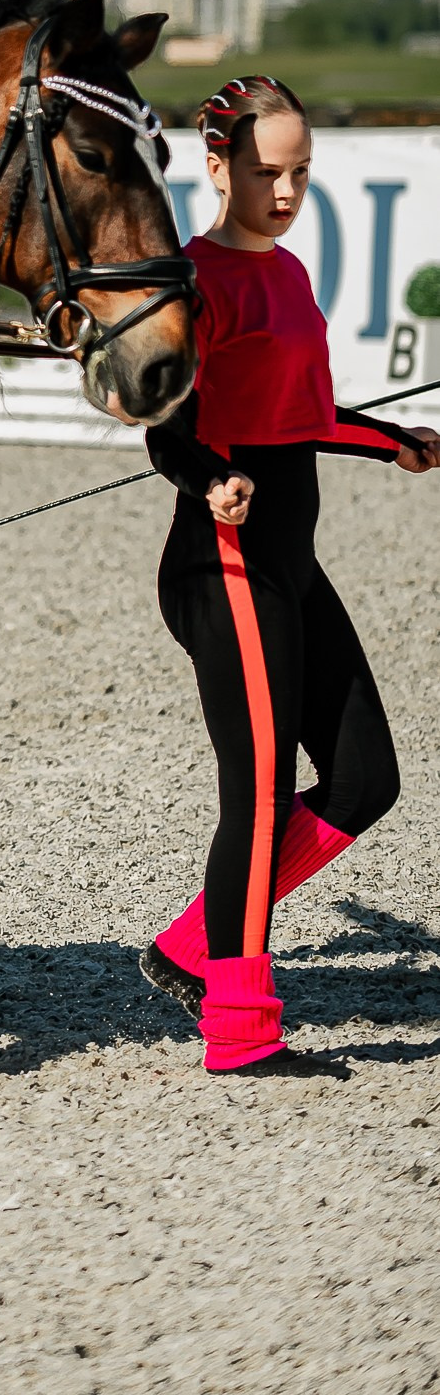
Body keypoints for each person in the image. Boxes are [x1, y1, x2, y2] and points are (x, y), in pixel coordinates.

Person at [140, 75, 440, 1078]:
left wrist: (391, 440)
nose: (284, 189)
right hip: (217, 561)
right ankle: (237, 1030)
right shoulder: (186, 280)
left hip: (288, 562)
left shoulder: (290, 274)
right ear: (216, 165)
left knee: (363, 780)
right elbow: (164, 429)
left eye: (299, 171)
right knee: (258, 795)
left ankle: (190, 944)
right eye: (264, 171)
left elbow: (306, 416)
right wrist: (207, 480)